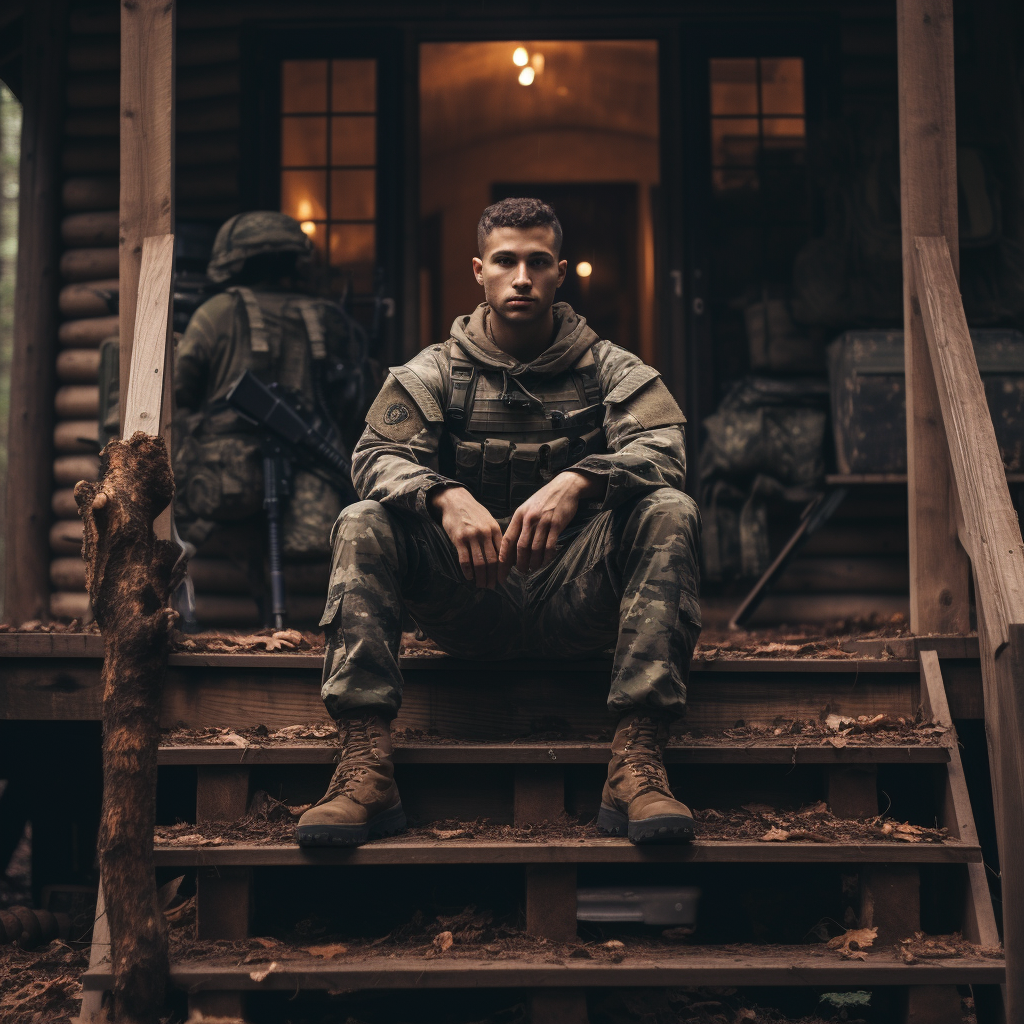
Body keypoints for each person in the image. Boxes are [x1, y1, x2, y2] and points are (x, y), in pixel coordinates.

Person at [297, 198, 702, 848]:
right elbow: (374, 456)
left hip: (578, 597)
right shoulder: (433, 371)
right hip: (470, 600)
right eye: (506, 262)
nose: (522, 278)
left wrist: (581, 479)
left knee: (669, 511)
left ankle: (637, 761)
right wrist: (443, 496)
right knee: (362, 520)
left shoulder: (607, 368)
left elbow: (668, 450)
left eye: (538, 263)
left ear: (560, 272)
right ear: (479, 271)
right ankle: (364, 769)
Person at [173, 211, 369, 584]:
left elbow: (183, 390)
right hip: (314, 474)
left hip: (228, 478)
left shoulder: (214, 313)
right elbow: (354, 402)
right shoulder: (330, 318)